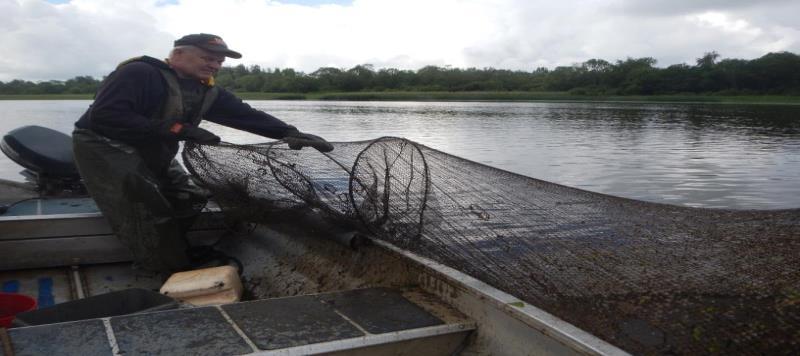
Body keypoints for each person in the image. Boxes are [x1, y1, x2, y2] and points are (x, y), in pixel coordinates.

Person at [72, 33, 332, 273]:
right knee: (146, 205)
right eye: (207, 58)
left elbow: (244, 115)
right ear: (177, 55)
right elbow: (105, 116)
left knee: (190, 196)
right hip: (104, 145)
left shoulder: (205, 89)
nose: (215, 66)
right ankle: (163, 268)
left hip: (151, 147)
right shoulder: (139, 72)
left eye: (219, 61)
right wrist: (179, 129)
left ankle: (171, 251)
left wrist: (288, 132)